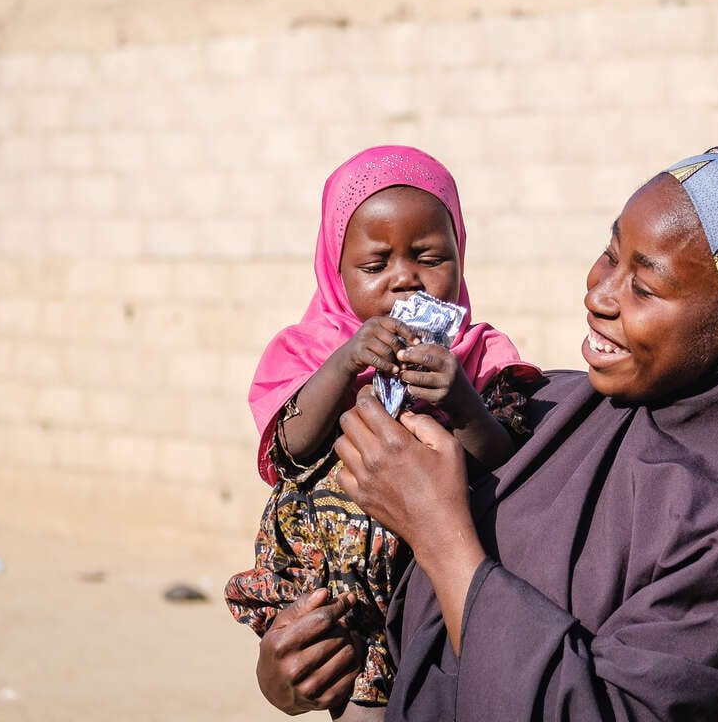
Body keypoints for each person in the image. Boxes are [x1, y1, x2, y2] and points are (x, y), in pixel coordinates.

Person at [255, 147, 718, 721]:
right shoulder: (543, 408)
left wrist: (440, 534)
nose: (599, 295)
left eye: (644, 285)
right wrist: (299, 666)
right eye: (611, 252)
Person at [225, 145, 539, 721]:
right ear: (334, 270)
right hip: (330, 593)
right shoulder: (308, 351)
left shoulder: (481, 355)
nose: (406, 280)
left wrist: (463, 401)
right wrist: (345, 362)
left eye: (431, 257)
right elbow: (287, 449)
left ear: (461, 256)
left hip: (427, 586)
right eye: (375, 267)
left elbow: (509, 462)